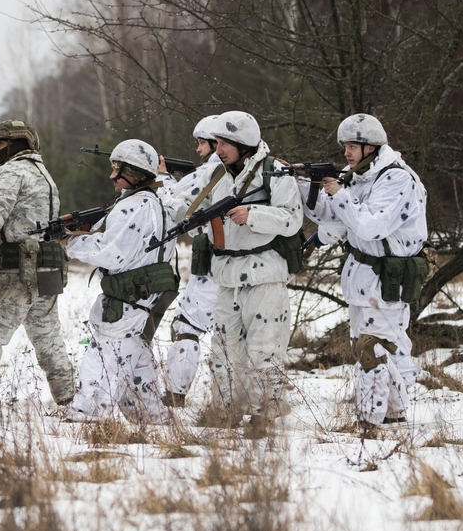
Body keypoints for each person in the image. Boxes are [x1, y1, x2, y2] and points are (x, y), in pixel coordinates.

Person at [172, 111, 302, 434]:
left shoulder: (276, 172)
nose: (218, 149)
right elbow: (188, 203)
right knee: (224, 349)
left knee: (264, 350)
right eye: (216, 143)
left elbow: (292, 219)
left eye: (225, 143)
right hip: (227, 275)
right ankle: (225, 412)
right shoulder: (215, 173)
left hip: (264, 274)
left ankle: (264, 416)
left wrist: (252, 215)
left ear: (243, 144)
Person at [301, 114, 427, 426]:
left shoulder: (397, 179)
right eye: (344, 146)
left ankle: (368, 421)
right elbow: (332, 219)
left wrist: (339, 194)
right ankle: (395, 414)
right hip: (362, 278)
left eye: (353, 146)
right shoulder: (356, 175)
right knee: (373, 348)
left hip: (390, 277)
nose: (347, 152)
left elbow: (370, 226)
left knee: (371, 348)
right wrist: (303, 184)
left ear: (371, 147)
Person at [0, 120, 75, 410]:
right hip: (49, 266)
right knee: (48, 337)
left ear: (19, 144)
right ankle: (69, 398)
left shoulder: (11, 172)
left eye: (1, 143)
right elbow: (17, 217)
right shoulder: (43, 174)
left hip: (19, 269)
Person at [60, 139, 178, 424]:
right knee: (136, 357)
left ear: (134, 174)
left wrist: (70, 243)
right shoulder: (156, 203)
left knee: (104, 352)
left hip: (127, 298)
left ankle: (86, 413)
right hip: (144, 297)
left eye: (118, 170)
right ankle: (151, 415)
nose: (112, 176)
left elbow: (111, 253)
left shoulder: (133, 207)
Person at [155, 115, 223, 408]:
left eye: (201, 143)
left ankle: (175, 394)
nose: (197, 150)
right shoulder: (248, 170)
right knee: (232, 335)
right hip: (242, 266)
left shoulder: (211, 172)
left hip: (213, 266)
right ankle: (232, 403)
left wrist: (161, 177)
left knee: (186, 326)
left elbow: (175, 209)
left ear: (215, 143)